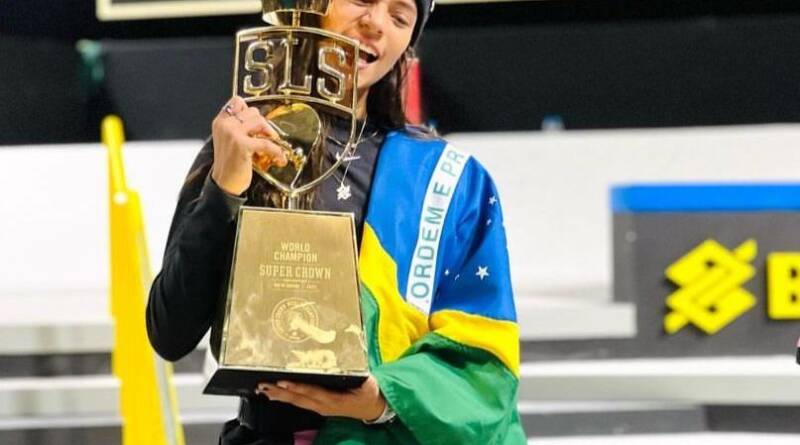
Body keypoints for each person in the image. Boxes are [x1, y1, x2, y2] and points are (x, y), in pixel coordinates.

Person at [146, 0, 525, 443]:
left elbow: (482, 362)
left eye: (400, 16)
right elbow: (170, 334)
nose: (376, 23)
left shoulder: (448, 180)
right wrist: (224, 188)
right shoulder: (242, 143)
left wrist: (382, 400)